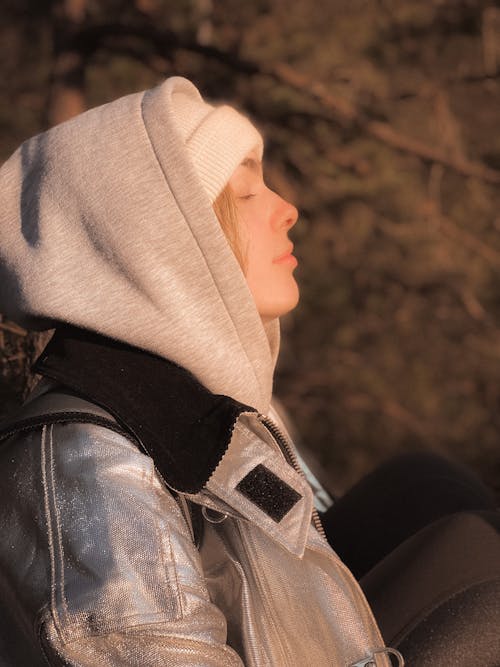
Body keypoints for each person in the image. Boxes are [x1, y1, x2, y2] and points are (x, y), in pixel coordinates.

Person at [0, 76, 498, 666]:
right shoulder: (89, 466)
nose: (288, 211)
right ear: (161, 245)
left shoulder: (180, 402)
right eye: (244, 197)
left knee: (424, 484)